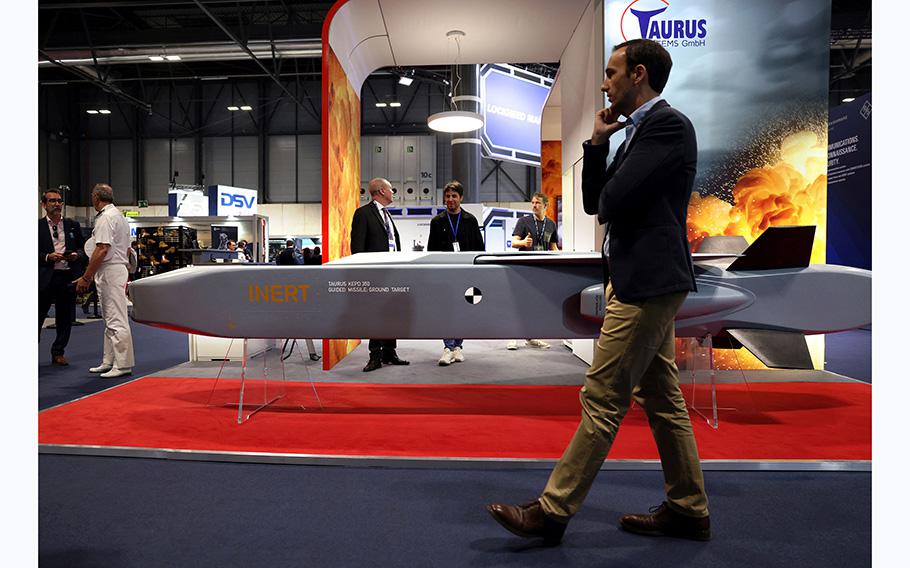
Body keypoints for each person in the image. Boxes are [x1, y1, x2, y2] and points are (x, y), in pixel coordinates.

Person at [488, 39, 710, 545]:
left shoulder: (667, 126)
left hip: (647, 284)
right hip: (643, 281)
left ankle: (552, 510)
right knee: (662, 398)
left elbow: (610, 202)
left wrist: (609, 169)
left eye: (611, 74)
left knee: (603, 395)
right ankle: (688, 508)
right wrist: (596, 143)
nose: (605, 83)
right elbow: (593, 203)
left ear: (637, 75)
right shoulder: (636, 133)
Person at [75, 184, 135, 379]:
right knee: (110, 318)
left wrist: (86, 276)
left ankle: (123, 364)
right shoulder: (118, 216)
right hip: (113, 269)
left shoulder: (106, 217)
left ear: (96, 197)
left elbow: (102, 249)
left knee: (116, 318)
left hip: (110, 270)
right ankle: (109, 361)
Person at [350, 177, 410, 372]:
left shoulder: (387, 215)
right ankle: (375, 355)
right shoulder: (363, 214)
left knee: (392, 312)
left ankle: (389, 352)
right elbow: (357, 248)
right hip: (375, 275)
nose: (393, 192)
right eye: (391, 189)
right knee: (376, 315)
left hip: (393, 273)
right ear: (382, 191)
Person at [426, 180, 485, 366]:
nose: (450, 199)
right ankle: (447, 347)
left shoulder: (470, 220)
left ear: (461, 198)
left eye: (454, 196)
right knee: (446, 310)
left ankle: (458, 346)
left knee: (463, 309)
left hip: (466, 274)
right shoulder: (437, 222)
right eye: (447, 196)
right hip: (444, 274)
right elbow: (431, 250)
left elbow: (479, 248)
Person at [506, 192, 560, 351]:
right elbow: (514, 243)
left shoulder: (551, 224)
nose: (534, 205)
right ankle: (512, 337)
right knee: (519, 301)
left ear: (545, 205)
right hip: (524, 268)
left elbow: (553, 247)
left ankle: (532, 337)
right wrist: (523, 242)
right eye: (533, 203)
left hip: (543, 269)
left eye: (537, 203)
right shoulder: (523, 221)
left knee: (537, 304)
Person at [39, 189, 86, 366]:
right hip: (44, 277)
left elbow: (84, 249)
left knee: (65, 317)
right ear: (44, 205)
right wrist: (47, 257)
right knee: (37, 316)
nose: (57, 204)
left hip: (67, 276)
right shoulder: (37, 227)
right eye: (52, 201)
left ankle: (58, 351)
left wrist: (76, 255)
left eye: (59, 201)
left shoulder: (72, 225)